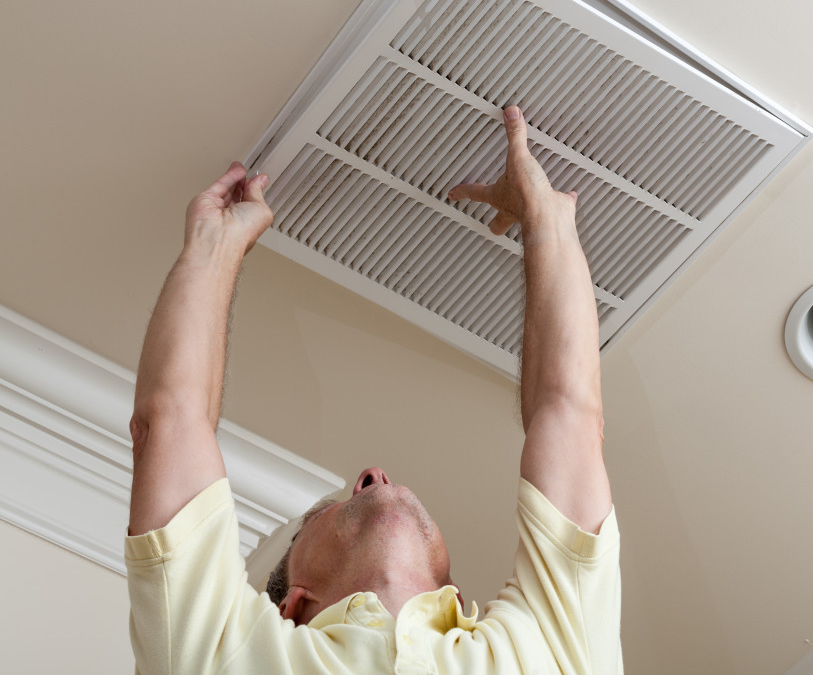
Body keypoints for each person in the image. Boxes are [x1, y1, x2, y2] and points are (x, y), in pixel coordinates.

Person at [125, 106, 622, 675]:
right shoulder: (549, 652)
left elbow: (167, 426)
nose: (374, 476)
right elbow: (572, 417)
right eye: (327, 510)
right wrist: (545, 224)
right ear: (295, 604)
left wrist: (212, 248)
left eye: (327, 505)